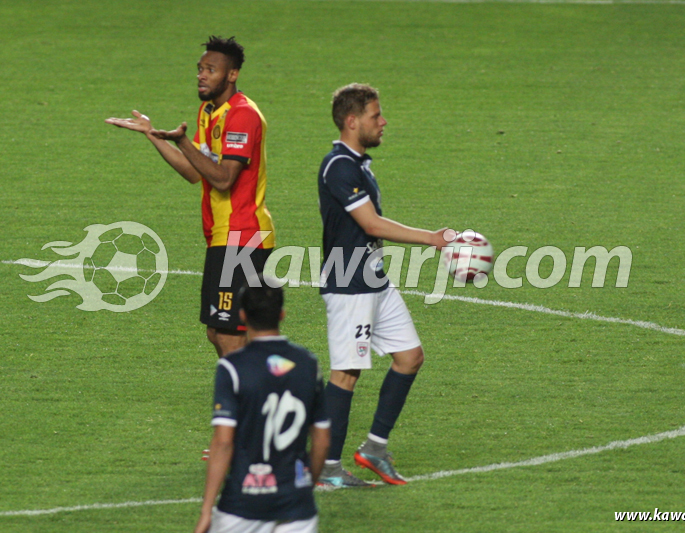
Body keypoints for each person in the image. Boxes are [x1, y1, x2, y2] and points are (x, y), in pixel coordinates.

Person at [106, 36, 275, 358]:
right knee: (221, 332)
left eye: (211, 69)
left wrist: (183, 142)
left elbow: (223, 179)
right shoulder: (209, 111)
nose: (201, 75)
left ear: (232, 75)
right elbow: (194, 172)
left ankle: (247, 403)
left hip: (243, 235)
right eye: (200, 68)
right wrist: (153, 135)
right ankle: (268, 392)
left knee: (227, 335)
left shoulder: (242, 115)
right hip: (224, 236)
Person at [316, 83, 449, 487]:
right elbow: (371, 224)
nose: (383, 121)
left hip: (374, 279)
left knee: (410, 357)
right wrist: (432, 238)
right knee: (346, 374)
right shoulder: (338, 166)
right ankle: (327, 469)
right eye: (376, 115)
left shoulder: (359, 164)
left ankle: (374, 449)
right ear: (353, 121)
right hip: (349, 285)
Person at [195, 274, 330, 533]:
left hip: (241, 504)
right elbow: (322, 440)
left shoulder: (232, 367)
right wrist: (303, 487)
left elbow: (223, 443)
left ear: (242, 316)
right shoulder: (308, 364)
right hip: (296, 507)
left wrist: (206, 510)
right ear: (282, 314)